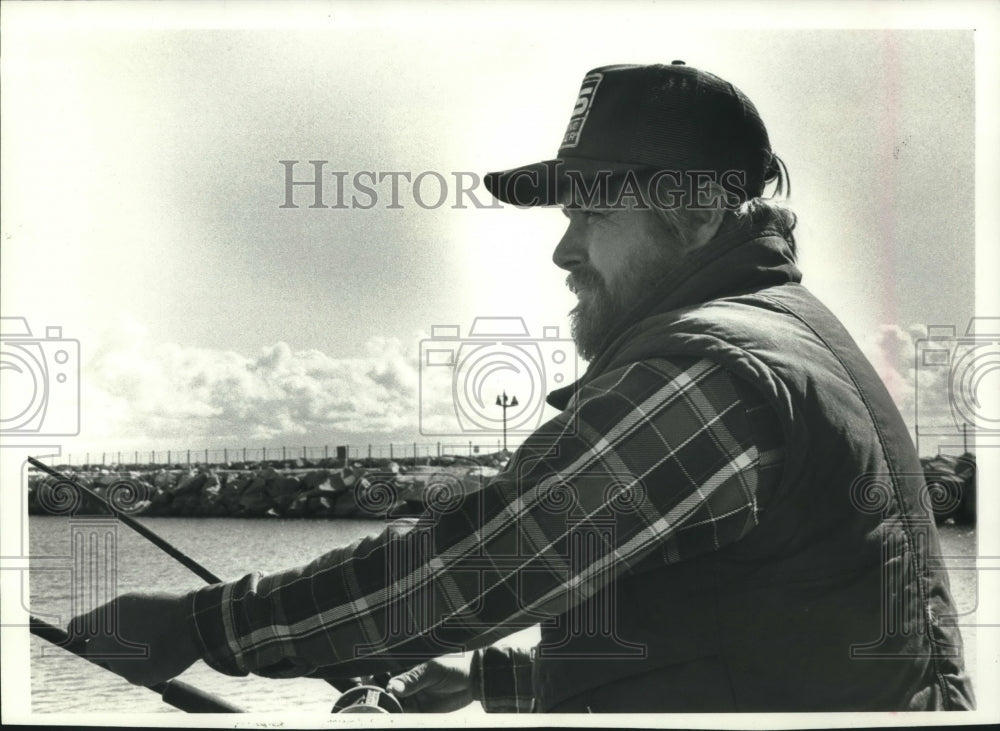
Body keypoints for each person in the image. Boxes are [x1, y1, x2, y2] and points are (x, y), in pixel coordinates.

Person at [69, 62, 975, 712]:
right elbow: (762, 641)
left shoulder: (713, 369)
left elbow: (486, 562)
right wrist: (494, 677)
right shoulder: (789, 335)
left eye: (593, 209)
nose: (563, 246)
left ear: (697, 207)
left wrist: (204, 625)